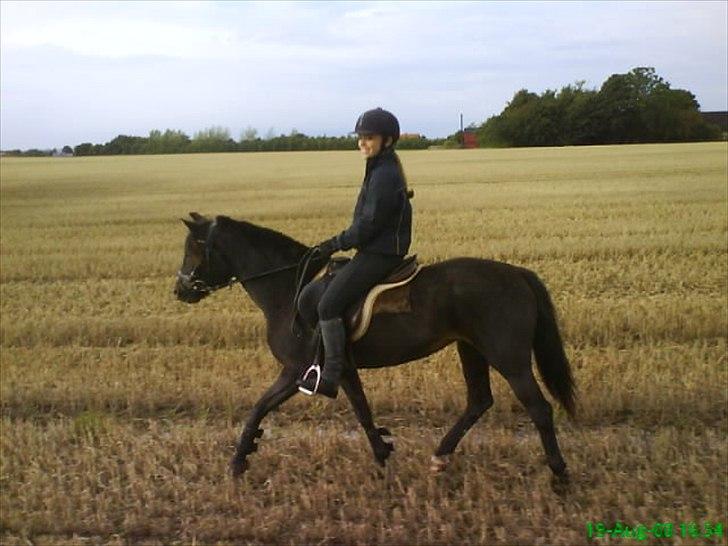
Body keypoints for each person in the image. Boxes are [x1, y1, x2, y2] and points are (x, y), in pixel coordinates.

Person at [297, 107, 413, 398]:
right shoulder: (380, 167)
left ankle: (331, 376)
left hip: (381, 253)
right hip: (378, 249)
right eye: (360, 137)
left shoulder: (384, 174)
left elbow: (368, 224)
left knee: (327, 305)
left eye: (369, 137)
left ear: (387, 140)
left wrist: (334, 243)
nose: (362, 142)